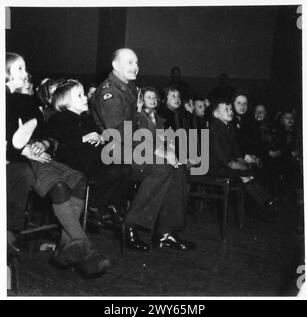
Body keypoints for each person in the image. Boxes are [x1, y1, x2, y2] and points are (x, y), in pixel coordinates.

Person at [6, 52, 109, 275]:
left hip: (42, 156)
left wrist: (43, 143)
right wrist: (25, 149)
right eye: (20, 70)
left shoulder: (28, 105)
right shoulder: (8, 102)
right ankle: (85, 248)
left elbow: (48, 136)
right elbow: (12, 140)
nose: (26, 75)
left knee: (79, 180)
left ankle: (66, 246)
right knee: (60, 187)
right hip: (23, 162)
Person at [91, 48, 195, 251]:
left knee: (178, 165)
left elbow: (138, 123)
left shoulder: (128, 88)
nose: (135, 67)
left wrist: (160, 145)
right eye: (129, 62)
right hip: (114, 151)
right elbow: (119, 132)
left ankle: (166, 232)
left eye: (136, 62)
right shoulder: (109, 92)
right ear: (115, 65)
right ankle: (130, 225)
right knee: (163, 166)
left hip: (132, 146)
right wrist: (155, 150)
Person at [47, 79, 131, 213]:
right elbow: (60, 144)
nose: (85, 97)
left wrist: (101, 138)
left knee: (124, 167)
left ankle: (103, 205)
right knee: (114, 166)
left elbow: (100, 135)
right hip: (73, 162)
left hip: (93, 160)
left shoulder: (88, 118)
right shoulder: (59, 118)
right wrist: (83, 138)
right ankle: (94, 205)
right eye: (79, 95)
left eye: (84, 94)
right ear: (65, 101)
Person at [209, 98, 279, 221]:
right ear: (216, 114)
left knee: (247, 174)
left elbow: (236, 151)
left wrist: (242, 161)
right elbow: (221, 156)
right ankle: (266, 202)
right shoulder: (214, 129)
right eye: (226, 109)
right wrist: (236, 164)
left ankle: (266, 203)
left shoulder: (229, 128)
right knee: (246, 173)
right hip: (216, 167)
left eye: (231, 109)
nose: (230, 111)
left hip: (226, 164)